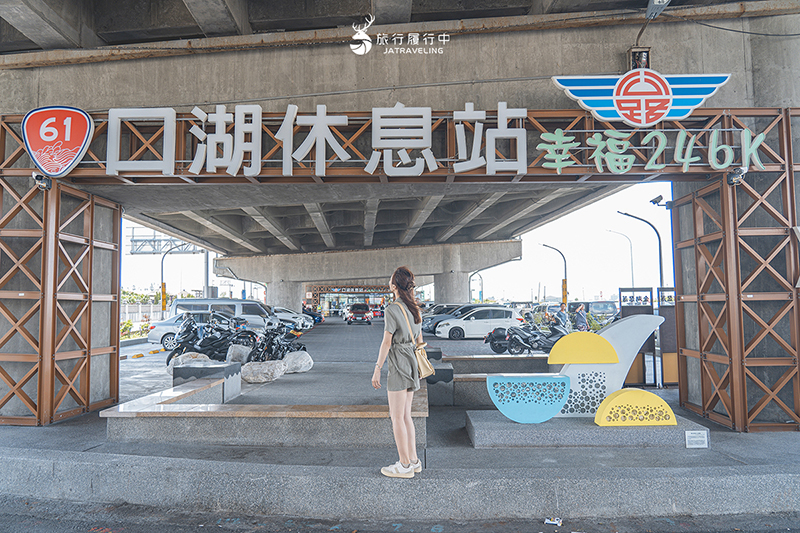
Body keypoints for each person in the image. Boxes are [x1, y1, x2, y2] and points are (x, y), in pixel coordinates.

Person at [371, 266, 423, 478]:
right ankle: (414, 460)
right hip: (412, 362)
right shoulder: (415, 309)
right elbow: (420, 341)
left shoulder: (393, 309)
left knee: (396, 417)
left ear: (394, 285)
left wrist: (377, 369)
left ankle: (403, 466)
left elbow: (386, 342)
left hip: (399, 363)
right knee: (406, 415)